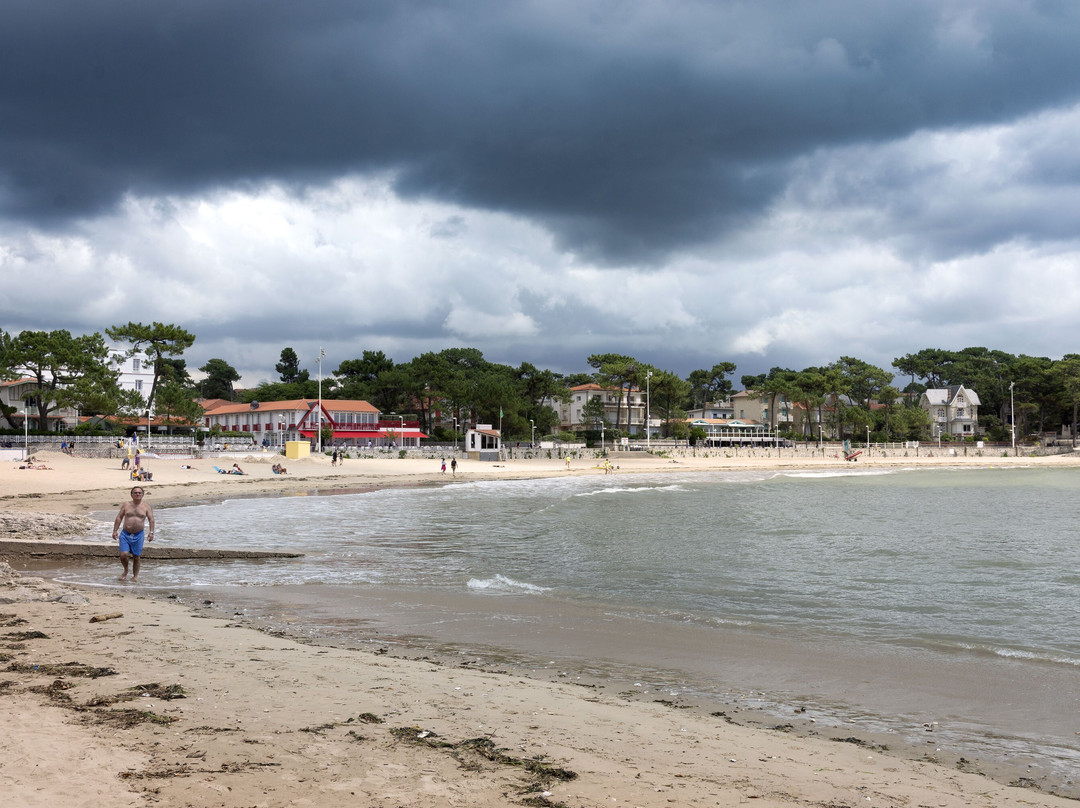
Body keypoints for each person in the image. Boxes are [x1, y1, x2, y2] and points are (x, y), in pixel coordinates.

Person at [112, 485, 154, 582]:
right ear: (131, 495)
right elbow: (119, 517)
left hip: (139, 534)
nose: (137, 494)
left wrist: (151, 532)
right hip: (125, 534)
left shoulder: (146, 506)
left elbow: (151, 519)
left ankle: (135, 576)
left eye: (139, 493)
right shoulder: (126, 505)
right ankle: (126, 570)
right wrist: (115, 531)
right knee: (123, 554)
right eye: (135, 493)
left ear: (142, 495)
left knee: (136, 556)